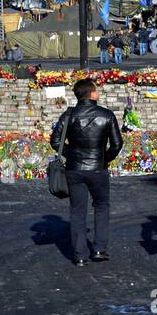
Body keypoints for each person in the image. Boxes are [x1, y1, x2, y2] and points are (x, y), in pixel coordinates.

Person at [50, 78, 124, 266]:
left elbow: (55, 141)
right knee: (101, 206)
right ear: (91, 94)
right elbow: (117, 144)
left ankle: (80, 255)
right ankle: (99, 249)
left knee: (77, 211)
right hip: (98, 169)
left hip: (74, 169)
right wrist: (104, 158)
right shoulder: (106, 115)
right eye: (96, 90)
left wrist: (71, 154)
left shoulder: (68, 115)